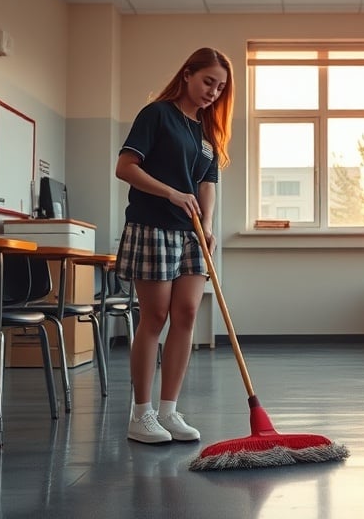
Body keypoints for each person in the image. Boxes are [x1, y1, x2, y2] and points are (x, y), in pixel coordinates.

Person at [114, 47, 234, 444]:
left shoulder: (206, 131)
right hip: (152, 226)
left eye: (219, 87)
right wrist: (170, 193)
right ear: (187, 74)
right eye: (207, 82)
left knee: (186, 315)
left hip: (191, 233)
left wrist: (209, 224)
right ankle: (141, 414)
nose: (212, 92)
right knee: (156, 317)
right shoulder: (157, 114)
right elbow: (125, 167)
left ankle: (168, 411)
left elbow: (208, 184)